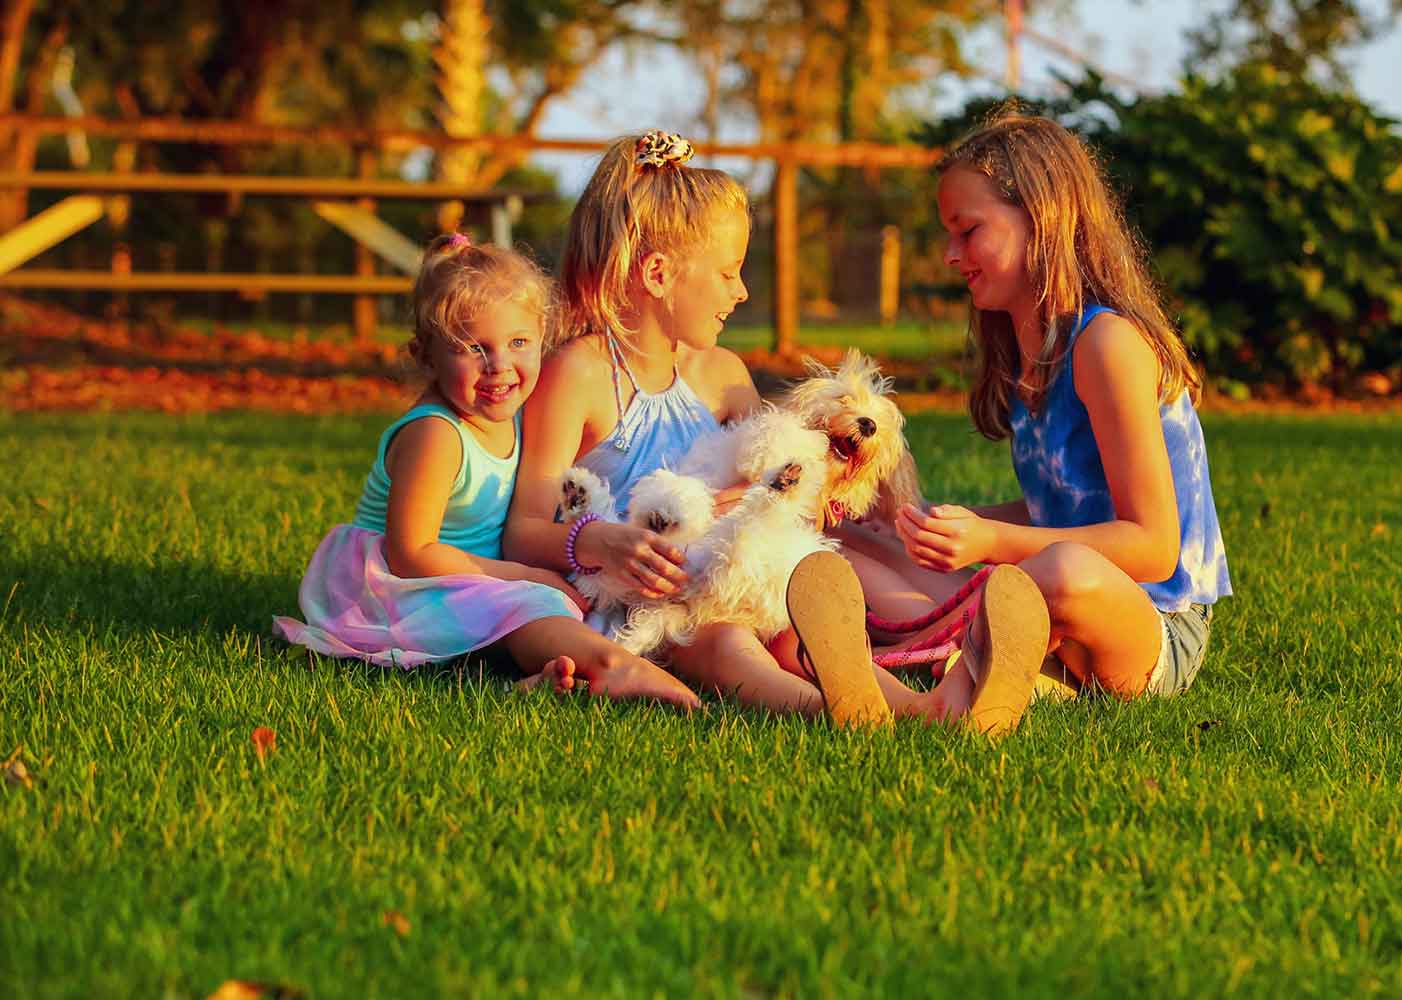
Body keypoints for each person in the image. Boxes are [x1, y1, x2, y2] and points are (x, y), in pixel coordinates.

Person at [504, 130, 1044, 733]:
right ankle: (835, 710)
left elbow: (789, 478)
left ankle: (920, 705)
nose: (741, 292)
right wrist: (601, 541)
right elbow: (522, 531)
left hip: (743, 574)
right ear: (658, 274)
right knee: (724, 641)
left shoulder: (724, 376)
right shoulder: (578, 374)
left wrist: (806, 499)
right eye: (729, 273)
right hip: (649, 602)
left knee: (798, 628)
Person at [841, 112, 1232, 699]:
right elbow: (1061, 508)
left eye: (967, 231)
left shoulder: (1106, 344)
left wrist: (991, 544)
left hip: (1149, 624)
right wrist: (938, 522)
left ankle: (936, 671)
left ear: (1042, 219)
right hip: (1045, 600)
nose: (951, 254)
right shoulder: (1028, 350)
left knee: (1057, 573)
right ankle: (988, 663)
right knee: (861, 539)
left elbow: (1152, 547)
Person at [275, 235, 700, 709]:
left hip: (470, 579)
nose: (499, 367)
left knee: (547, 602)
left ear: (542, 337)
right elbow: (411, 554)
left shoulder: (517, 414)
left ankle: (539, 674)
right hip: (399, 588)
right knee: (534, 604)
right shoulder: (437, 435)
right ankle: (612, 666)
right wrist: (525, 576)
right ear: (426, 355)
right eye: (474, 348)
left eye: (519, 343)